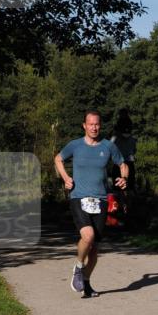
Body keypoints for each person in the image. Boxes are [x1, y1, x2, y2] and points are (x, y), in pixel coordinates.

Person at [55, 110, 129, 298]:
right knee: (87, 236)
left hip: (101, 200)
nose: (94, 127)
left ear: (100, 126)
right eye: (90, 124)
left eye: (97, 124)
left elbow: (123, 164)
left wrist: (123, 178)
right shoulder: (75, 145)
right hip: (78, 197)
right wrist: (65, 178)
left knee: (95, 249)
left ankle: (86, 284)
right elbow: (58, 159)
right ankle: (79, 267)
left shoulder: (108, 146)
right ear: (84, 126)